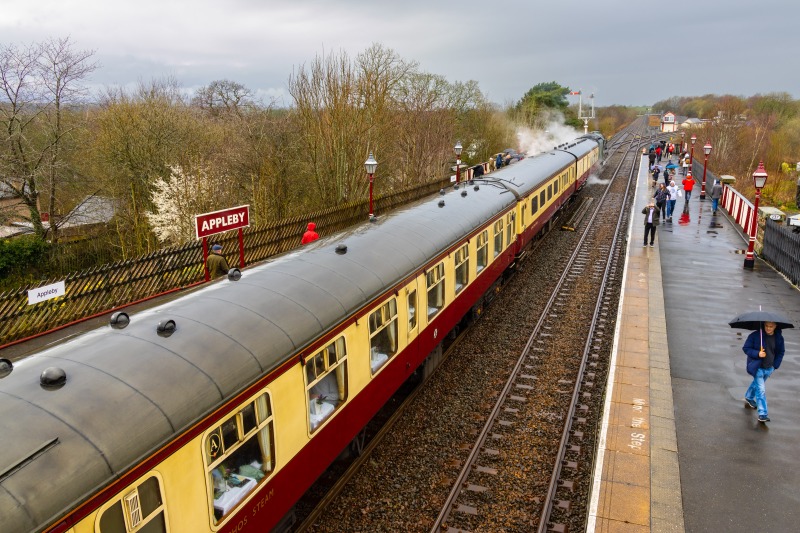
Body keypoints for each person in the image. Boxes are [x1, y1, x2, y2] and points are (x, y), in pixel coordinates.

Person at [743, 321, 785, 423]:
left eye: (771, 326)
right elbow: (746, 348)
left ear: (775, 326)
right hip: (757, 367)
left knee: (757, 385)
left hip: (769, 367)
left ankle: (748, 397)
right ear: (763, 325)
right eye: (766, 326)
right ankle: (762, 414)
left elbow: (781, 352)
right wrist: (758, 353)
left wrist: (775, 366)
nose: (768, 328)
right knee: (761, 390)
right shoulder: (755, 336)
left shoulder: (779, 338)